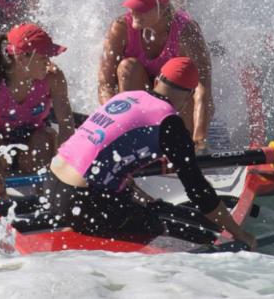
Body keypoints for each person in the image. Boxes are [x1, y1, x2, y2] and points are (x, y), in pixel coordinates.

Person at [45, 57, 257, 249]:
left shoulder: (127, 97)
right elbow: (198, 191)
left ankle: (77, 223)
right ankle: (84, 230)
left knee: (147, 204)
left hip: (50, 186)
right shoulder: (169, 124)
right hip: (82, 203)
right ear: (190, 95)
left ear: (158, 81)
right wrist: (238, 233)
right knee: (180, 221)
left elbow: (106, 157)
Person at [98, 0, 213, 149]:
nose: (133, 12)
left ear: (162, 6)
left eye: (141, 7)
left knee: (181, 75)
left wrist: (199, 138)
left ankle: (184, 139)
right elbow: (105, 85)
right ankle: (134, 137)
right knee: (127, 67)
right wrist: (115, 125)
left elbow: (203, 91)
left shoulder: (187, 32)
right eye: (131, 5)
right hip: (138, 103)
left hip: (176, 105)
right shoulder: (120, 28)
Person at [0, 23, 75, 202]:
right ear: (22, 59)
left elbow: (66, 124)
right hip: (0, 148)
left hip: (35, 147)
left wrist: (62, 166)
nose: (49, 62)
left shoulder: (54, 77)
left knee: (45, 137)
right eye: (43, 57)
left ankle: (47, 196)